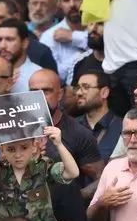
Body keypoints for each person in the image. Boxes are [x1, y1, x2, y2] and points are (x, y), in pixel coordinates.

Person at [28, 69, 104, 199]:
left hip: (61, 215)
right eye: (34, 92)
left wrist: (74, 200)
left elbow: (102, 178)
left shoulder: (78, 133)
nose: (39, 97)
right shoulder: (16, 129)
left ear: (59, 94)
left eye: (46, 91)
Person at [39, 0, 88, 83]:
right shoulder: (48, 37)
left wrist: (73, 37)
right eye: (66, 0)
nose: (72, 4)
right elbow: (56, 76)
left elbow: (106, 47)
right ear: (60, 4)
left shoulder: (100, 27)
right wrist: (82, 54)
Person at [75, 71, 122, 163]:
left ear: (104, 92)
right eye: (78, 88)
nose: (79, 93)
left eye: (86, 87)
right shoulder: (71, 126)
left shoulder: (122, 127)